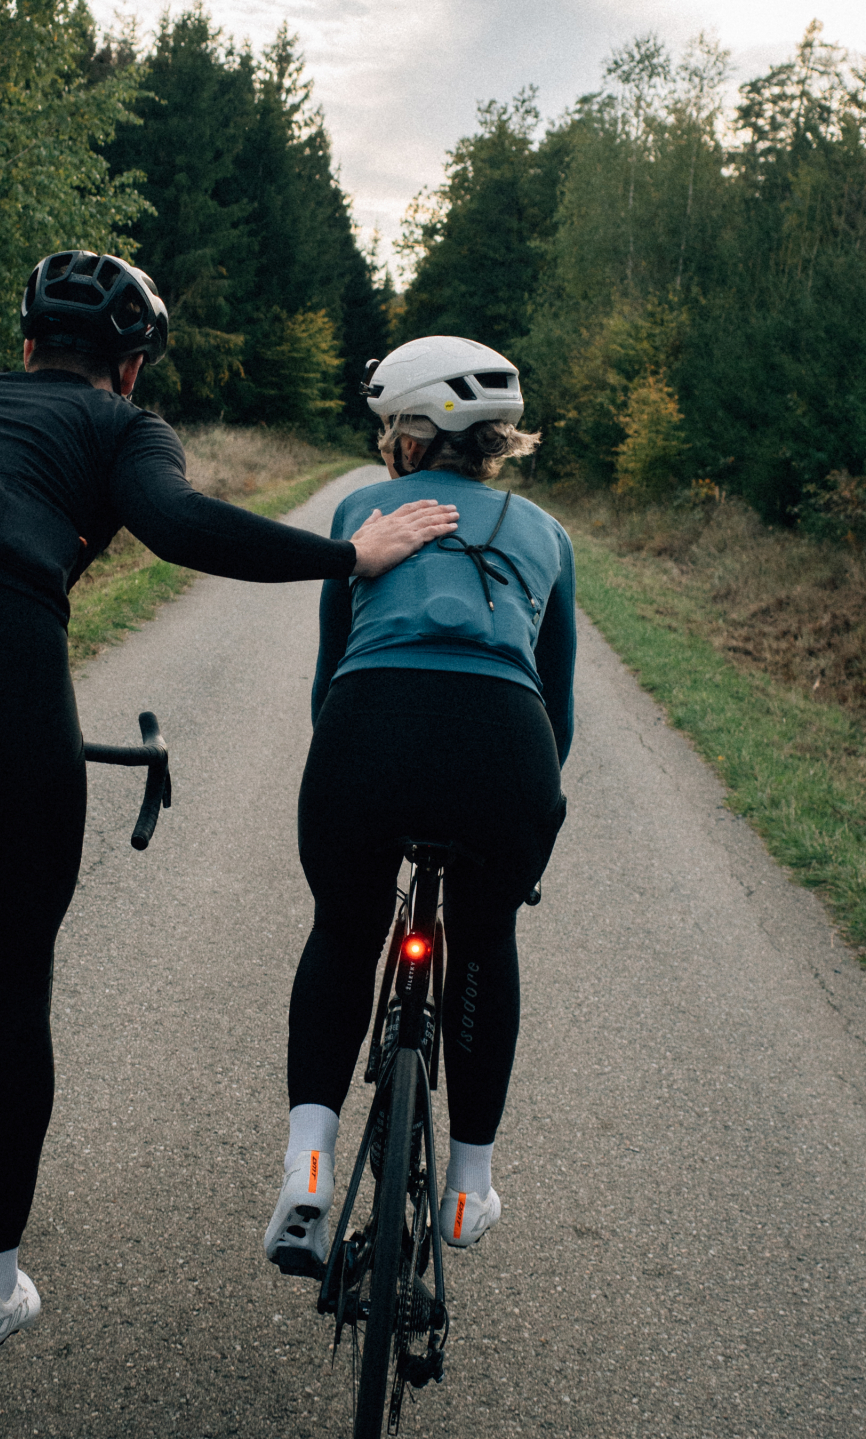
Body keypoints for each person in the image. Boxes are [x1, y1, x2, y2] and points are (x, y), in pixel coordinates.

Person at [0, 251, 458, 1354]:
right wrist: (347, 554)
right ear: (131, 364)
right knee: (7, 992)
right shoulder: (120, 429)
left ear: (23, 345)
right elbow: (179, 523)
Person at [264, 334, 576, 1274]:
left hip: (371, 735)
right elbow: (554, 710)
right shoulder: (548, 535)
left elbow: (329, 682)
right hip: (504, 751)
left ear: (409, 432)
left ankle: (309, 1171)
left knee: (344, 929)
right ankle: (470, 1184)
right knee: (483, 940)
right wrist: (527, 815)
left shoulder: (363, 509)